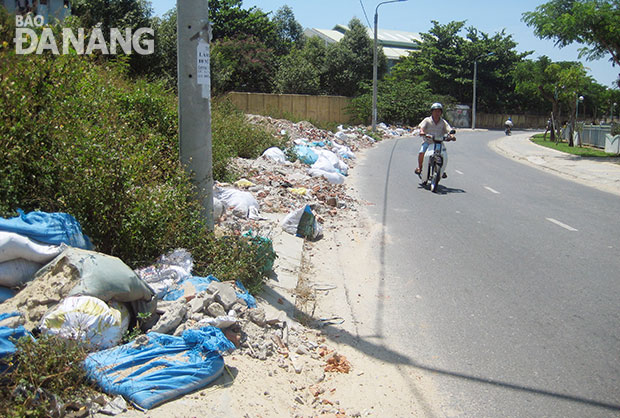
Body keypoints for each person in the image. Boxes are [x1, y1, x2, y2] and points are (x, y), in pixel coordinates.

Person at [416, 102, 454, 178]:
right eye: (435, 111)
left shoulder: (443, 122)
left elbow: (449, 130)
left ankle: (441, 170)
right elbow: (421, 127)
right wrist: (422, 132)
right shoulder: (427, 120)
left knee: (443, 155)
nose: (437, 113)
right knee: (421, 152)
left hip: (439, 143)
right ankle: (420, 168)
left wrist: (451, 135)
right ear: (432, 111)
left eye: (439, 111)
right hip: (428, 142)